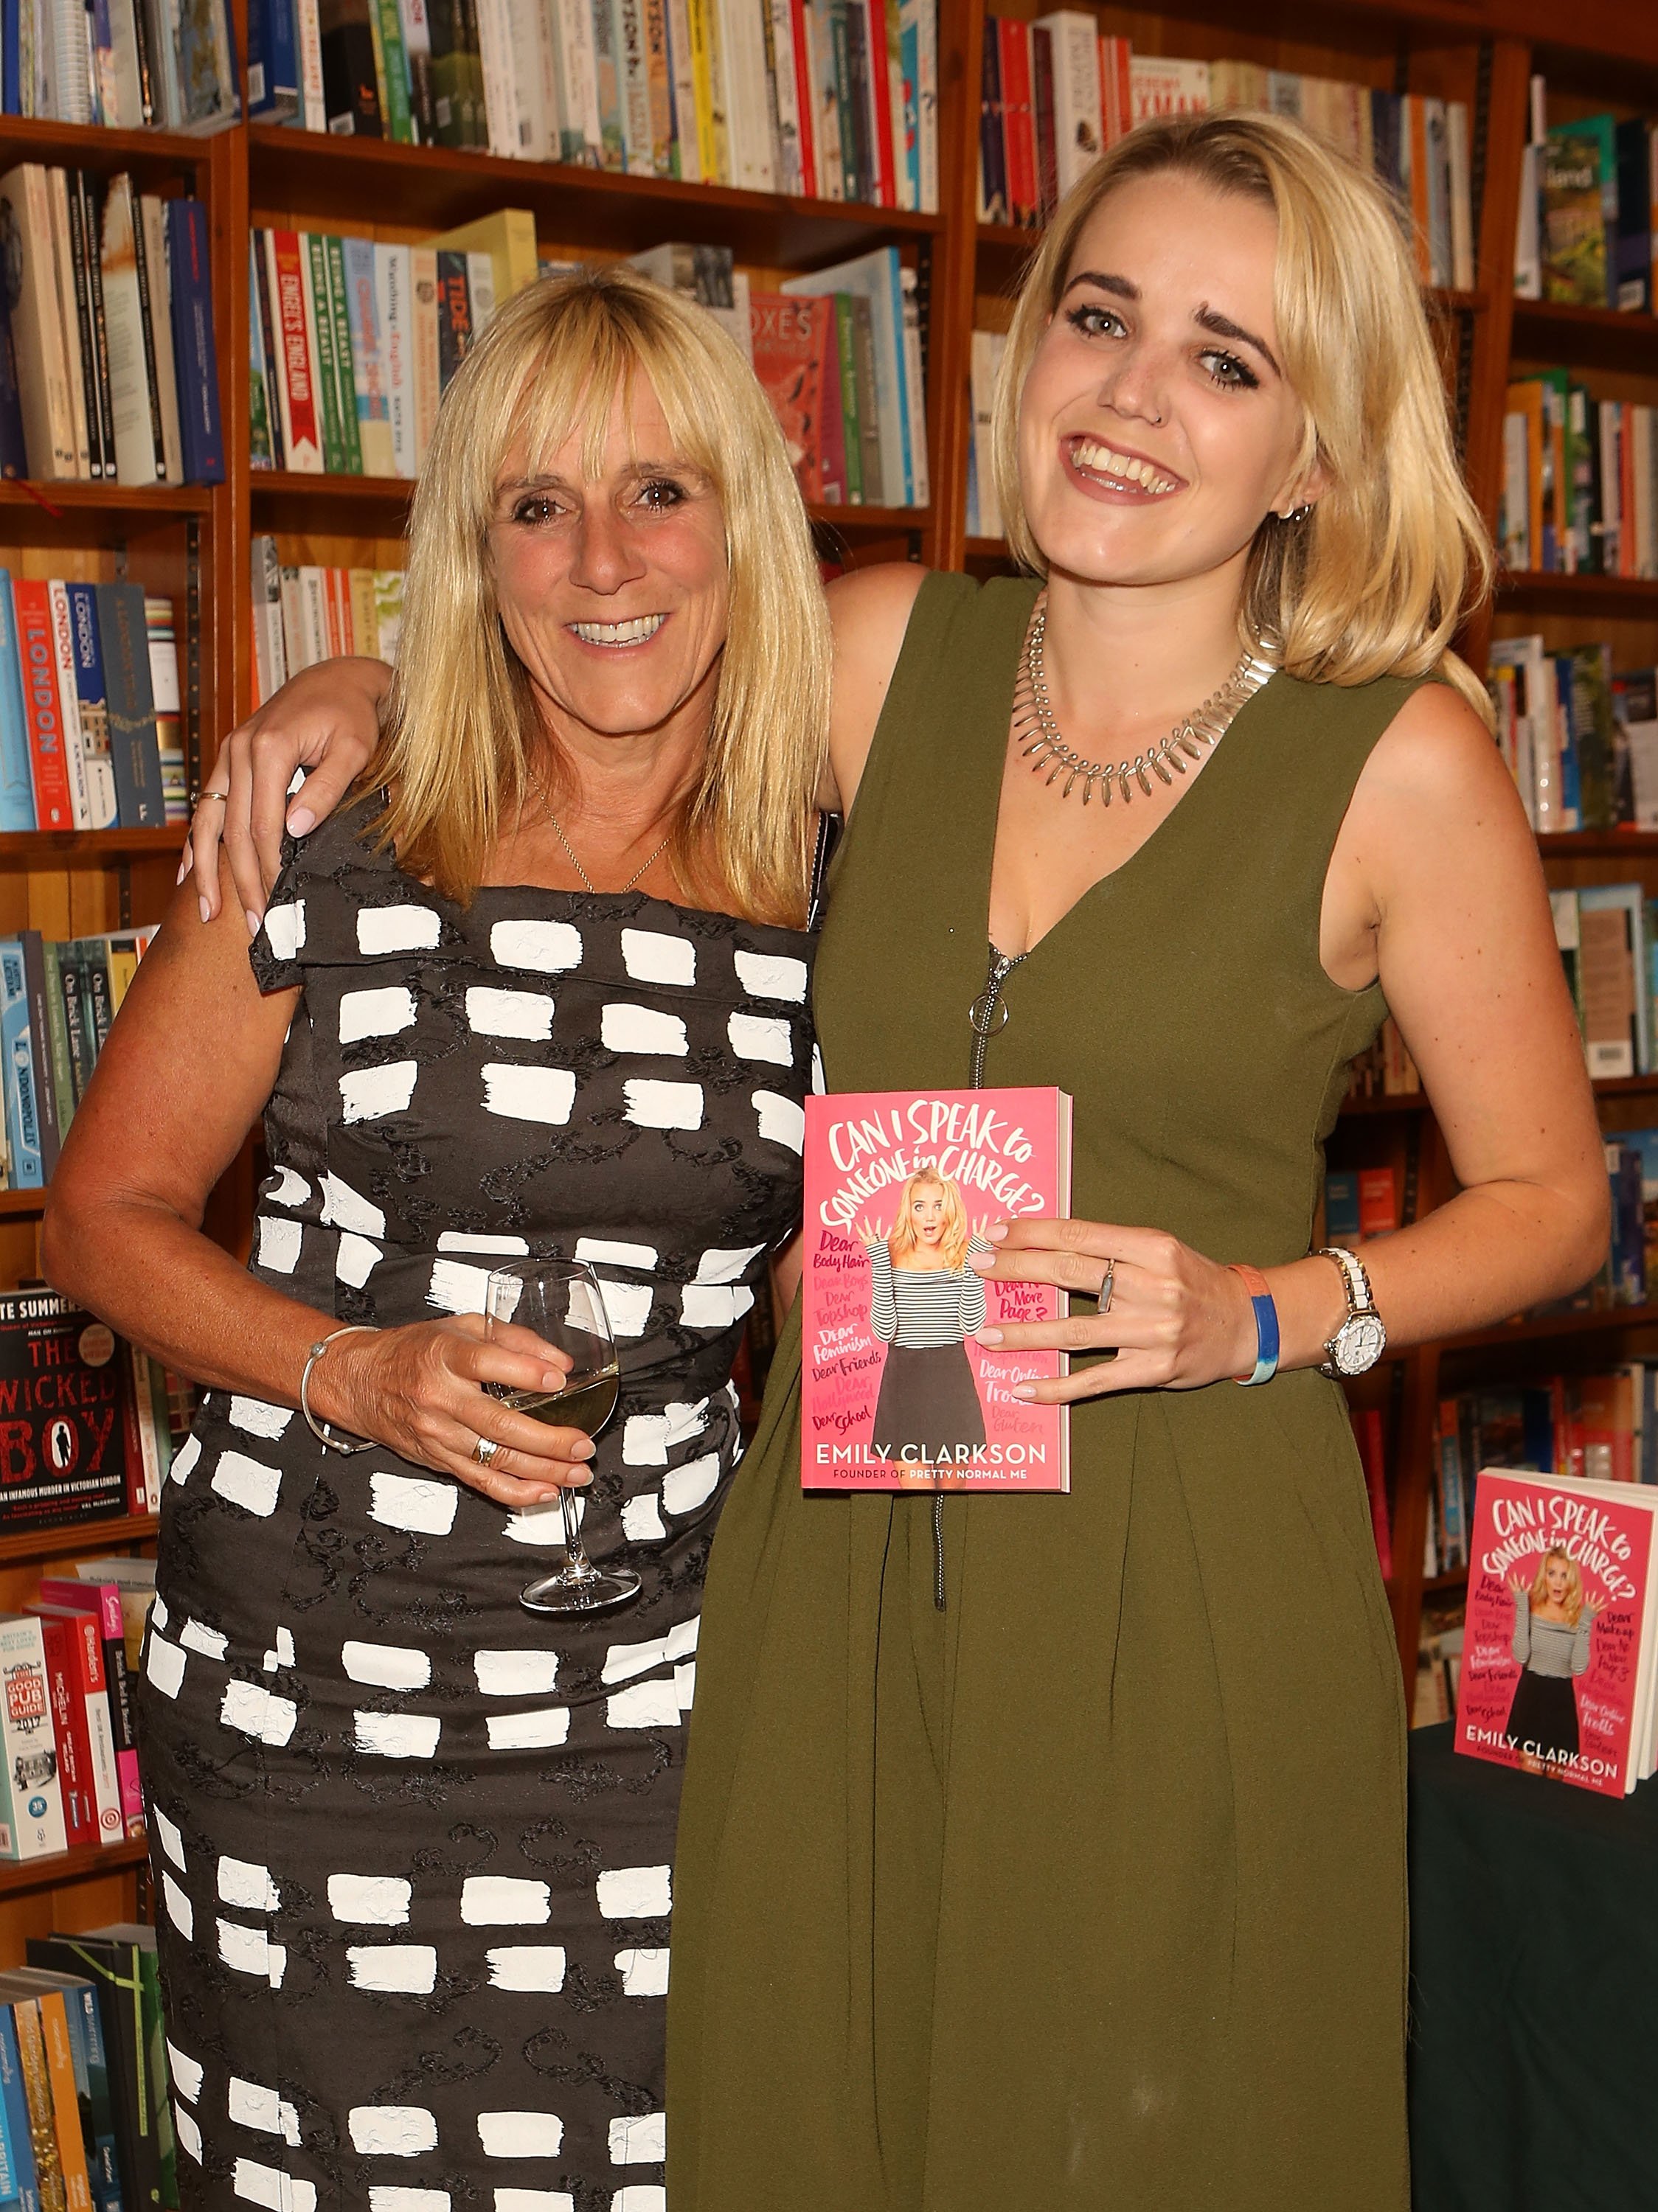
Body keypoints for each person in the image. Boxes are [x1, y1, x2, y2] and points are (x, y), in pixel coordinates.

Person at [192, 114, 1609, 2212]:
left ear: (1314, 451)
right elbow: (596, 669)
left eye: (1229, 360)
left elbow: (1561, 1203)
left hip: (1185, 1563)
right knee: (822, 2118)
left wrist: (1277, 1310)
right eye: (1104, 319)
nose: (1135, 395)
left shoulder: (1400, 756)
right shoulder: (876, 658)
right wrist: (354, 689)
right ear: (1027, 351)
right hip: (840, 1562)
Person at [41, 266, 827, 2207]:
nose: (604, 562)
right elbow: (99, 1220)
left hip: (660, 1718)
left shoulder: (840, 886)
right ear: (474, 556)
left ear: (747, 520)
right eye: (536, 507)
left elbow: (847, 1312)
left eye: (661, 491)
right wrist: (348, 1367)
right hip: (308, 1712)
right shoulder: (332, 832)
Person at [856, 1170, 991, 1471]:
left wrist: (975, 1265)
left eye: (938, 1205)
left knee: (954, 1487)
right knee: (912, 1483)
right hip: (904, 1376)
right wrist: (879, 1264)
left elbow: (971, 1327)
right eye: (920, 1206)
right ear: (909, 1211)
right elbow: (884, 1331)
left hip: (951, 1374)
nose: (929, 1216)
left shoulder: (963, 1254)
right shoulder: (890, 1254)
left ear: (950, 1210)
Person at [1505, 1546, 1600, 1768]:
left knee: (1556, 1792)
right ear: (1544, 1576)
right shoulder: (1530, 1608)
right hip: (1531, 1697)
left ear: (1572, 1580)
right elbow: (1521, 1656)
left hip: (1560, 1702)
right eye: (1552, 1573)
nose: (1557, 1582)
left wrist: (1586, 1621)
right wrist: (1521, 1605)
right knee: (1530, 1784)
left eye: (1564, 1575)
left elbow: (1578, 1668)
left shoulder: (1578, 1617)